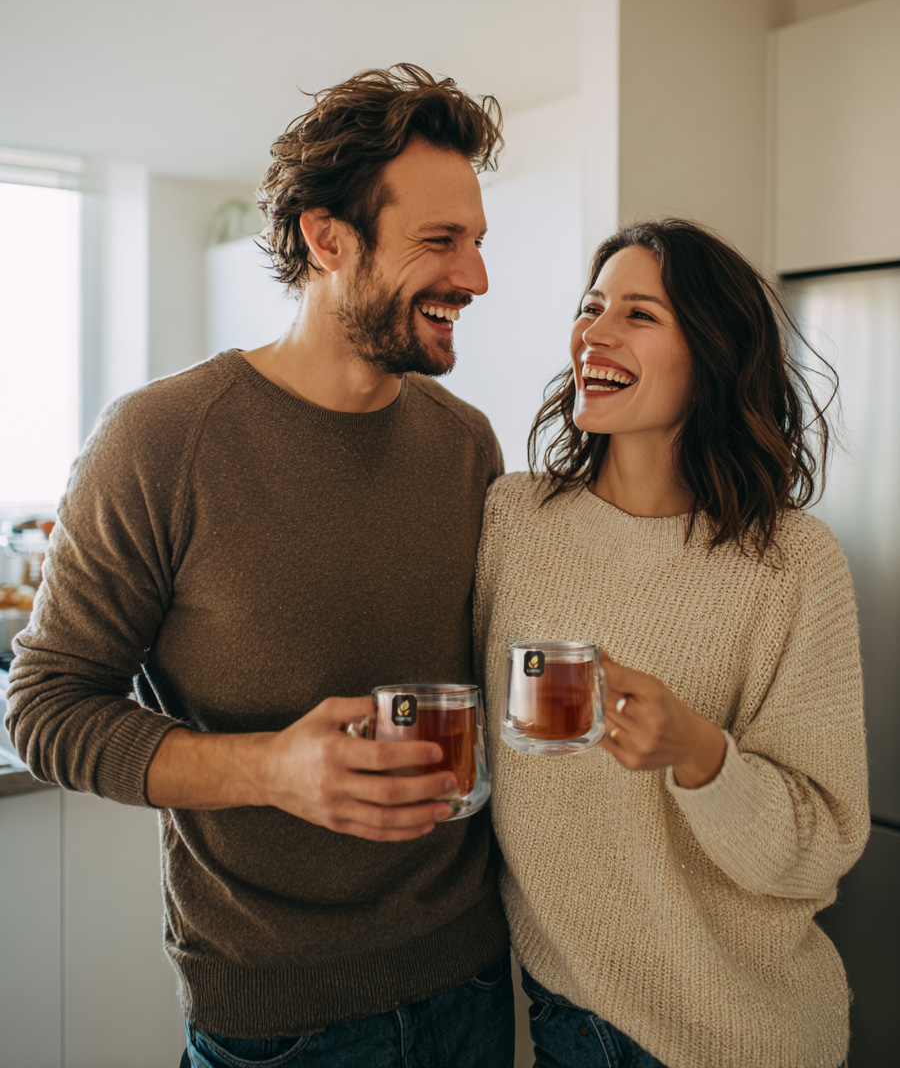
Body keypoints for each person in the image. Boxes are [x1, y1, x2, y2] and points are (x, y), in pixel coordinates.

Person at [6, 65, 516, 1068]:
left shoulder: (468, 446)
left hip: (473, 982)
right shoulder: (162, 441)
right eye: (439, 242)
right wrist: (270, 770)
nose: (476, 278)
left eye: (479, 242)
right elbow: (43, 708)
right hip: (281, 1022)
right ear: (330, 240)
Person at [475, 219, 868, 1068]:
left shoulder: (791, 562)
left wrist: (700, 755)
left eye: (639, 314)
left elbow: (824, 842)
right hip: (564, 1021)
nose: (595, 332)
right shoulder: (514, 519)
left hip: (745, 1035)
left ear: (713, 353)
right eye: (591, 306)